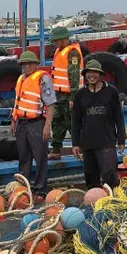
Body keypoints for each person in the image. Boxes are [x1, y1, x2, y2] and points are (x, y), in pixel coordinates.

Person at [71, 59, 126, 189]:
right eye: (89, 73)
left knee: (109, 175)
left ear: (100, 75)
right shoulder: (80, 94)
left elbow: (119, 117)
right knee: (91, 178)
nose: (92, 76)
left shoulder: (111, 92)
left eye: (95, 73)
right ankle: (95, 203)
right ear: (85, 75)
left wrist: (121, 138)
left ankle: (113, 200)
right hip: (87, 143)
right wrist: (75, 143)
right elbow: (75, 121)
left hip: (107, 142)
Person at [10, 50, 55, 198]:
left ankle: (41, 189)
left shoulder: (43, 79)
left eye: (30, 63)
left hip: (37, 123)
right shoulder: (21, 79)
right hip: (21, 123)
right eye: (24, 64)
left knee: (40, 156)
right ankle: (25, 187)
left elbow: (50, 104)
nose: (27, 66)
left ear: (36, 64)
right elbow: (18, 102)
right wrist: (13, 121)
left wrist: (47, 125)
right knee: (24, 157)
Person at [48, 27, 84, 160]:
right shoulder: (59, 51)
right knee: (57, 122)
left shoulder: (72, 52)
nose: (55, 43)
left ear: (64, 39)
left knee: (72, 123)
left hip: (69, 95)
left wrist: (73, 98)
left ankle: (81, 149)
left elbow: (73, 76)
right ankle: (56, 150)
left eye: (57, 40)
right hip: (59, 94)